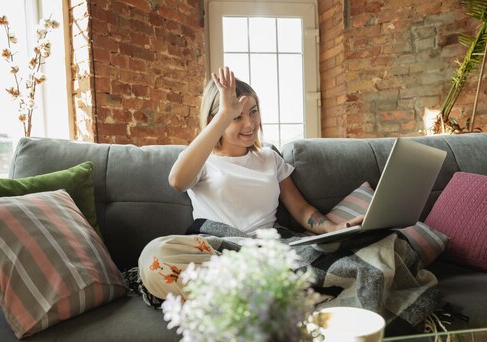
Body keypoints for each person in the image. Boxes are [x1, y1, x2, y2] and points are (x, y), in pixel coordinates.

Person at [138, 67, 362, 302]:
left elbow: (301, 209)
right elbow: (177, 181)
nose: (249, 124)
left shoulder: (269, 158)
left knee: (368, 255)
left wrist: (336, 229)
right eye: (237, 117)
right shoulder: (202, 160)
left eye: (253, 112)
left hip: (267, 249)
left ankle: (254, 295)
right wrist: (224, 113)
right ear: (217, 118)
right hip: (217, 252)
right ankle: (271, 292)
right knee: (154, 256)